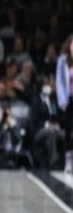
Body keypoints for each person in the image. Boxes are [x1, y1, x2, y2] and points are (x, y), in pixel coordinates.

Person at [31, 76, 63, 168]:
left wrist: (57, 124)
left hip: (54, 128)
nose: (48, 86)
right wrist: (48, 124)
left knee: (67, 135)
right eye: (46, 84)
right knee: (50, 131)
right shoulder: (36, 101)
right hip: (38, 131)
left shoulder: (53, 100)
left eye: (48, 84)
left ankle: (68, 160)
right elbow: (34, 121)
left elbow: (56, 116)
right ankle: (53, 160)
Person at [56, 34, 73, 173]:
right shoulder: (62, 60)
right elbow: (60, 81)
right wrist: (62, 100)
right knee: (68, 131)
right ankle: (68, 161)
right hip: (68, 100)